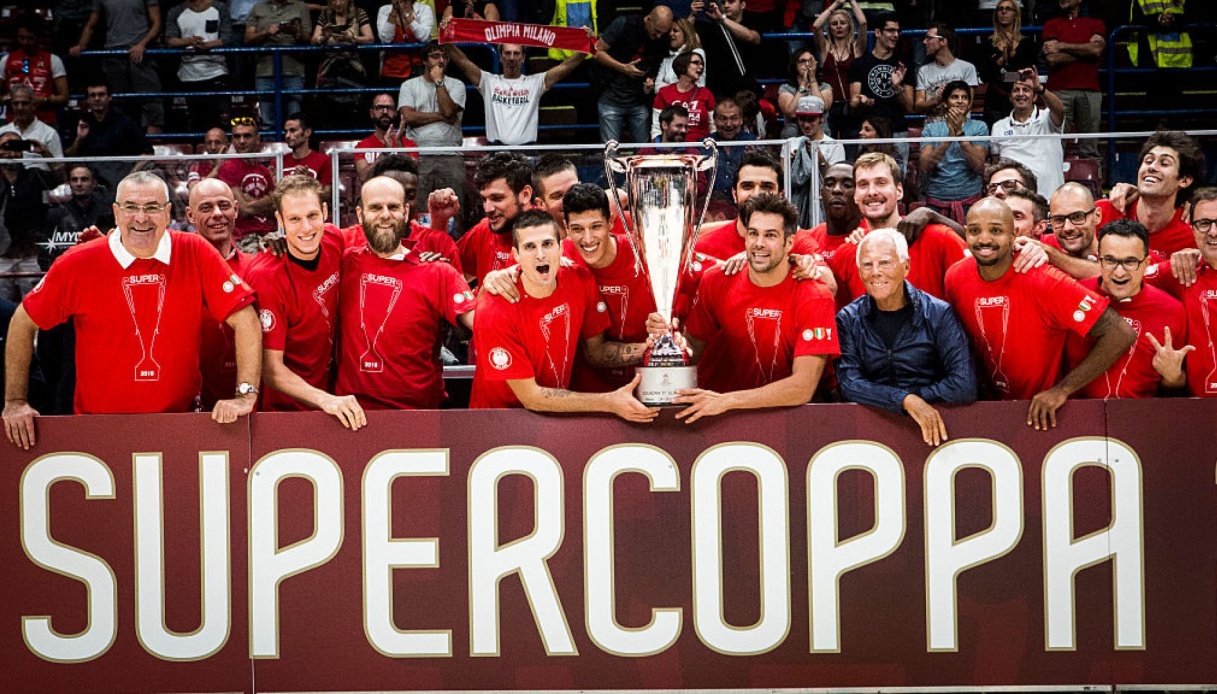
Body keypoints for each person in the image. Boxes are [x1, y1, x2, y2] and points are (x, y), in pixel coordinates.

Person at [3, 171, 263, 450]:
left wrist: (245, 394)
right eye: (131, 207)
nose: (141, 218)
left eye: (152, 207)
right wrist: (16, 401)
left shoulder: (193, 250)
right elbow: (23, 321)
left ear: (167, 213)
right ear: (116, 212)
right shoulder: (79, 262)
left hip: (179, 424)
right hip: (98, 429)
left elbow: (246, 320)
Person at [944, 197, 1135, 428]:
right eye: (975, 231)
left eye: (996, 230)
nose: (984, 239)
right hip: (990, 410)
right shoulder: (955, 277)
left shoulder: (1045, 280)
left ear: (1014, 234)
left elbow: (1120, 333)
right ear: (965, 233)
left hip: (1043, 414)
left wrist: (1062, 390)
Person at [469, 210, 657, 421]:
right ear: (516, 255)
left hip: (555, 419)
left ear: (561, 247)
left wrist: (652, 350)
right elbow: (532, 398)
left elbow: (596, 352)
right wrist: (609, 402)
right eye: (530, 247)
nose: (540, 254)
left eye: (547, 244)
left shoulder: (579, 280)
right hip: (496, 424)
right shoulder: (494, 312)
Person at [667, 194, 839, 421]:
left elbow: (802, 387)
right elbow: (692, 350)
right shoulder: (716, 281)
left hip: (800, 420)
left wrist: (726, 401)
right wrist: (670, 344)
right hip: (733, 418)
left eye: (770, 235)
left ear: (789, 243)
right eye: (753, 233)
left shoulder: (815, 295)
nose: (759, 243)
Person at [335, 176, 476, 409]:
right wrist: (276, 245)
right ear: (360, 214)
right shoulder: (342, 263)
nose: (385, 215)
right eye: (375, 208)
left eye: (393, 207)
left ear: (406, 211)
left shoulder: (438, 271)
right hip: (351, 414)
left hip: (420, 415)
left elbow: (480, 323)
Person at [243, 174, 366, 427]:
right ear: (280, 220)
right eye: (294, 219)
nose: (306, 228)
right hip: (285, 412)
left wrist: (423, 255)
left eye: (312, 215)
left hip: (333, 401)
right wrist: (325, 400)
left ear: (325, 212)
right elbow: (271, 370)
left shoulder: (333, 239)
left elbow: (382, 238)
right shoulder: (266, 276)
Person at [836, 228, 977, 446]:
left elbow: (963, 385)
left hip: (937, 432)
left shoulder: (938, 314)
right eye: (867, 264)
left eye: (885, 263)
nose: (875, 272)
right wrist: (905, 400)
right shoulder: (848, 319)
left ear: (906, 267)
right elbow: (849, 384)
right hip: (870, 433)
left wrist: (916, 398)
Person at [1063, 218, 1188, 398]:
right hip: (1078, 411)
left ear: (1146, 264)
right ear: (1099, 261)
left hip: (1141, 412)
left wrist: (1173, 377)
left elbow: (1177, 391)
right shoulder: (1075, 294)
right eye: (1110, 260)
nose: (1119, 272)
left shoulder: (1173, 311)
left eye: (1130, 262)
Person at [830, 152, 967, 302]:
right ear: (855, 196)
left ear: (899, 191)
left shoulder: (941, 239)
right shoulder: (846, 254)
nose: (872, 192)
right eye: (863, 185)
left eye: (881, 183)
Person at [187, 178, 261, 410]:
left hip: (249, 405)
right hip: (188, 407)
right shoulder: (177, 269)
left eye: (224, 205)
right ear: (190, 215)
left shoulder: (258, 267)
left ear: (236, 209)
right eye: (206, 208)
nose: (217, 214)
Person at [445, 39, 583, 146]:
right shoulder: (488, 82)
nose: (511, 58)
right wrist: (445, 40)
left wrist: (585, 47)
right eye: (507, 53)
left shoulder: (535, 83)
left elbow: (565, 66)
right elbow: (463, 61)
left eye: (516, 53)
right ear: (500, 57)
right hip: (496, 152)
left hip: (526, 151)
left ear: (523, 58)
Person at [1146, 187, 1217, 397]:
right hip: (1197, 408)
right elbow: (1119, 276)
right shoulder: (1181, 272)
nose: (1213, 232)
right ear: (1192, 229)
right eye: (1204, 223)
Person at [1098, 129, 1203, 256]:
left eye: (1164, 164)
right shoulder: (1102, 212)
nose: (1151, 167)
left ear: (1185, 180)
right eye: (1148, 161)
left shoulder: (1195, 234)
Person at [72, 0, 165, 134]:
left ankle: (154, 144)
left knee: (151, 101)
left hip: (141, 54)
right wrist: (81, 46)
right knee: (116, 103)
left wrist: (142, 44)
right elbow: (91, 24)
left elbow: (157, 22)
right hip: (113, 54)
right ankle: (119, 141)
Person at [398, 40, 466, 212]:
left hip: (450, 155)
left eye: (444, 56)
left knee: (453, 211)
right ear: (424, 61)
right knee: (419, 210)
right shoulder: (409, 86)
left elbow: (448, 111)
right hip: (418, 156)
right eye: (435, 56)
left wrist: (439, 82)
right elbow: (409, 117)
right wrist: (440, 116)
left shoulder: (457, 85)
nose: (441, 61)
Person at [593, 6, 673, 144]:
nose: (658, 36)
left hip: (639, 101)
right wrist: (623, 68)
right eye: (656, 31)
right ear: (648, 19)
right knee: (610, 150)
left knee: (644, 151)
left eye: (663, 33)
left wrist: (651, 80)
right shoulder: (623, 23)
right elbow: (597, 52)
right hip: (611, 96)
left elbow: (658, 64)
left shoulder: (662, 38)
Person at [848, 13, 915, 170]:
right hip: (869, 132)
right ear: (878, 33)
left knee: (898, 177)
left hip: (897, 131)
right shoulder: (859, 64)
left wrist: (897, 87)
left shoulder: (904, 64)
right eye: (890, 30)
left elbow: (909, 106)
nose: (895, 35)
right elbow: (853, 102)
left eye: (898, 31)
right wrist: (861, 101)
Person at [457, 151, 533, 288]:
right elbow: (451, 276)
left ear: (525, 195)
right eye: (484, 199)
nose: (488, 208)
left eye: (497, 198)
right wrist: (440, 221)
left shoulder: (549, 233)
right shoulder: (483, 229)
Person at [63, 78, 151, 196]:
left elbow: (148, 153)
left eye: (101, 95)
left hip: (120, 171)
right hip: (90, 174)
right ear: (88, 100)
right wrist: (79, 139)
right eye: (92, 95)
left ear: (109, 97)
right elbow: (68, 157)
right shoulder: (81, 122)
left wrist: (131, 177)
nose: (97, 99)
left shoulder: (125, 122)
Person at [1042, 0, 1106, 160]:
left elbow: (1096, 50)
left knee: (1090, 149)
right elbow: (1053, 59)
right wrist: (1085, 51)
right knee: (1055, 147)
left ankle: (1092, 176)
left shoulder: (1096, 24)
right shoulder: (1051, 25)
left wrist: (1062, 45)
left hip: (1090, 91)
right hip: (1058, 91)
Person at [990, 66, 1066, 199]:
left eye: (1026, 90)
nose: (1021, 94)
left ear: (1035, 96)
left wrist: (1040, 88)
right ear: (1010, 97)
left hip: (1050, 198)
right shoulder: (999, 127)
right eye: (1016, 90)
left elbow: (1060, 110)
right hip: (1014, 200)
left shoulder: (1047, 118)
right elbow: (996, 165)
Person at [918, 81, 988, 224]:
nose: (960, 101)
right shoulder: (931, 129)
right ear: (945, 103)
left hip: (970, 201)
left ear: (969, 104)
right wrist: (948, 138)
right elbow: (925, 166)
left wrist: (960, 135)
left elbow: (978, 165)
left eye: (964, 97)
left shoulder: (979, 127)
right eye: (955, 97)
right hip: (937, 202)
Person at [0, 133, 55, 302]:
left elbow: (61, 178)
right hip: (1, 255)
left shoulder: (34, 175)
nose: (11, 153)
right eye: (5, 147)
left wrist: (45, 153)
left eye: (16, 147)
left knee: (33, 306)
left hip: (30, 253)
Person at [165, 0, 233, 132]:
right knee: (197, 122)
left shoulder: (219, 8)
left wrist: (207, 45)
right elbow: (170, 40)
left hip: (216, 70)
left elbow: (227, 38)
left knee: (221, 121)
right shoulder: (175, 12)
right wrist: (190, 41)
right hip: (189, 74)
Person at [244, 0, 312, 128]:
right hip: (265, 70)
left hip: (293, 69)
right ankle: (269, 142)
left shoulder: (300, 7)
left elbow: (308, 38)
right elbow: (248, 38)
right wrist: (266, 32)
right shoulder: (258, 8)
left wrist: (295, 31)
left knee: (295, 120)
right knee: (267, 121)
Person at [977, 0, 1039, 128]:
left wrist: (1012, 56)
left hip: (1021, 98)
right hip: (995, 101)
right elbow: (985, 76)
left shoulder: (1027, 43)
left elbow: (1028, 74)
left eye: (1008, 9)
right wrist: (1001, 59)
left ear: (1016, 14)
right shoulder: (988, 43)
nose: (1004, 12)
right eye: (1000, 9)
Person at [215, 114, 277, 241]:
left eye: (247, 136)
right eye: (237, 136)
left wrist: (253, 201)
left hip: (268, 234)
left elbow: (276, 208)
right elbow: (245, 209)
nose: (242, 141)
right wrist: (268, 199)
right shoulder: (228, 168)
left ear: (257, 139)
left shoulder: (264, 171)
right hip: (243, 238)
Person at [311, 0, 373, 126]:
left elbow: (370, 39)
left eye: (341, 0)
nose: (338, 3)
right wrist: (324, 37)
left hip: (353, 69)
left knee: (354, 111)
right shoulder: (325, 14)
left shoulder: (359, 13)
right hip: (329, 70)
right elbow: (313, 40)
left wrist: (352, 38)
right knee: (329, 112)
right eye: (334, 0)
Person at [788, 95, 846, 228]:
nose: (806, 124)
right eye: (802, 119)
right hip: (796, 205)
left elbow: (837, 180)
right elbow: (784, 179)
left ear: (822, 118)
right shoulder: (790, 143)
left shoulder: (835, 145)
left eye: (811, 120)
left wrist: (820, 159)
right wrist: (794, 163)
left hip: (824, 206)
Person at [2, 14, 70, 127]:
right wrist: (10, 99)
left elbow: (64, 97)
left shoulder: (53, 60)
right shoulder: (6, 60)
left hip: (45, 122)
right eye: (22, 38)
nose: (25, 42)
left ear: (38, 38)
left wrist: (43, 100)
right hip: (13, 123)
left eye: (30, 38)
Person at [812, 0, 867, 138]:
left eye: (843, 23)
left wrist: (852, 1)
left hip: (851, 106)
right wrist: (836, 4)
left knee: (851, 145)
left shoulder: (856, 49)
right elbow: (817, 26)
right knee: (828, 144)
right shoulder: (825, 48)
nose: (839, 26)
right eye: (834, 23)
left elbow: (863, 23)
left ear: (849, 26)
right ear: (829, 28)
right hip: (830, 106)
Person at [689, 0, 762, 101]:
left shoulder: (752, 22)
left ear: (743, 5)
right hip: (718, 89)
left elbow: (752, 37)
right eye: (723, 2)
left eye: (731, 2)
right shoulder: (712, 27)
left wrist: (722, 18)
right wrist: (693, 15)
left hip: (745, 87)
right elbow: (685, 37)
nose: (726, 5)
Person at [44, 165, 110, 268]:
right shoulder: (56, 214)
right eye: (74, 180)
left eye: (84, 180)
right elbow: (46, 250)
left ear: (94, 184)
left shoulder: (108, 212)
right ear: (69, 184)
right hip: (68, 268)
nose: (79, 184)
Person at [914, 23, 981, 116]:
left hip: (959, 124)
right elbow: (918, 106)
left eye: (929, 38)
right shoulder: (924, 70)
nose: (925, 42)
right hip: (933, 124)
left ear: (943, 41)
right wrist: (936, 100)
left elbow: (968, 105)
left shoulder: (967, 68)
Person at [0, 84, 65, 176]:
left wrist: (45, 153)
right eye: (16, 103)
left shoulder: (49, 133)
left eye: (24, 103)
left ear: (34, 105)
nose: (20, 108)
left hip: (40, 181)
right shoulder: (2, 132)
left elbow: (61, 174)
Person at [651, 51, 715, 143]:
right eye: (696, 63)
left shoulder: (706, 93)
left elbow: (713, 126)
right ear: (683, 65)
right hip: (673, 146)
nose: (701, 67)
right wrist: (658, 147)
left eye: (702, 64)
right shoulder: (664, 93)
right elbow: (657, 127)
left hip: (701, 146)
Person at [354, 92, 418, 182]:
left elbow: (414, 176)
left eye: (389, 108)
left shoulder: (409, 144)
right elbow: (364, 177)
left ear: (395, 112)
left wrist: (399, 145)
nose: (385, 111)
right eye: (380, 107)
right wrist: (385, 153)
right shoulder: (361, 147)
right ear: (371, 113)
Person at [777, 46, 833, 139]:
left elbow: (821, 109)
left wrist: (812, 79)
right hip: (794, 135)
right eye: (802, 61)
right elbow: (792, 113)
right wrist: (803, 85)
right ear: (795, 65)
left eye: (810, 61)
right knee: (790, 131)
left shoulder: (825, 87)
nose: (807, 64)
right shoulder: (786, 88)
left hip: (819, 134)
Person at [708, 96, 758, 199]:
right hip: (713, 205)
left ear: (741, 120)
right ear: (714, 120)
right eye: (723, 119)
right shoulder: (704, 145)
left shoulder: (753, 143)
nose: (728, 124)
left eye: (734, 118)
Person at [377, 0, 436, 84]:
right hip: (392, 70)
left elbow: (424, 37)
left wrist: (405, 15)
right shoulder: (384, 10)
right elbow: (386, 39)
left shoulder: (424, 9)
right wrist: (393, 13)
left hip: (417, 69)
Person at [281, 112, 334, 195]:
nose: (287, 136)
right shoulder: (278, 162)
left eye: (292, 130)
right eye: (286, 131)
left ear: (307, 132)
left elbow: (327, 195)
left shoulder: (323, 160)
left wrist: (308, 181)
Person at [655, 17, 704, 92]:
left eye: (675, 30)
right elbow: (657, 87)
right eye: (670, 31)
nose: (671, 34)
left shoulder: (696, 53)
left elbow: (693, 86)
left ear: (686, 34)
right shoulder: (667, 58)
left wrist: (666, 85)